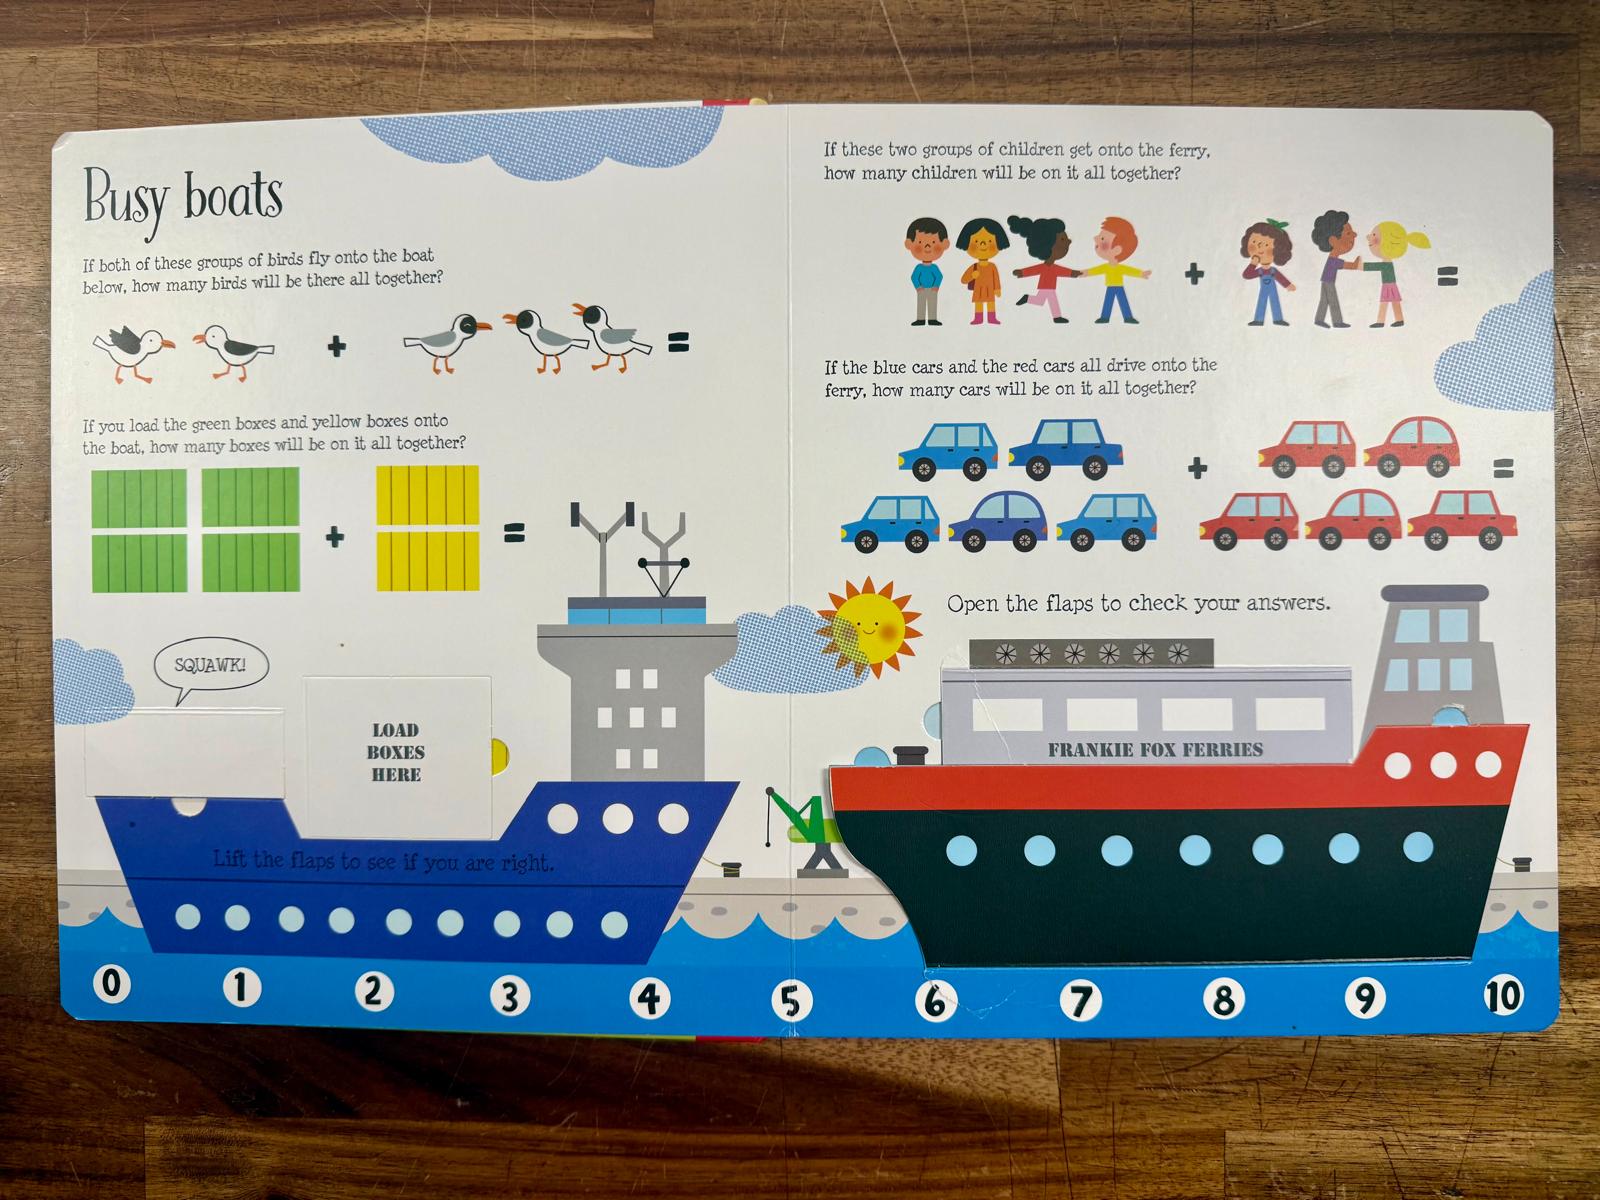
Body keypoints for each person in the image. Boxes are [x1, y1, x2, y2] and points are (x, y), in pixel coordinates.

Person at [1007, 215, 1080, 324]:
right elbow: (1035, 270)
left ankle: (1028, 299)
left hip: (1047, 286)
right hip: (1047, 286)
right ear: (1048, 247)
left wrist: (1072, 273)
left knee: (1040, 301)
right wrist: (1022, 272)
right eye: (1063, 239)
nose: (1069, 241)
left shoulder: (1052, 266)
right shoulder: (1047, 267)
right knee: (1049, 300)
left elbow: (1060, 271)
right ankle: (1057, 317)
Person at [1363, 220, 1432, 328]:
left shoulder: (1386, 263)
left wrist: (1361, 266)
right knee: (1395, 301)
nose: (1369, 237)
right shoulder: (1387, 262)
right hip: (1391, 284)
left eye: (1374, 235)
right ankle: (1399, 320)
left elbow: (1377, 266)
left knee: (1385, 302)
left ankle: (1381, 321)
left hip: (1388, 285)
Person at [1083, 216, 1150, 324]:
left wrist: (1141, 274)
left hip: (1118, 286)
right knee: (1109, 302)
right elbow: (1096, 270)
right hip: (1112, 286)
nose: (1095, 238)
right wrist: (1086, 272)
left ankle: (1127, 317)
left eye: (1102, 238)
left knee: (1121, 302)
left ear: (1116, 250)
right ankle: (1106, 317)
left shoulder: (1118, 268)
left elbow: (1129, 270)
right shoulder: (1106, 267)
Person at [1310, 209, 1362, 328]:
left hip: (1326, 280)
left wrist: (1354, 265)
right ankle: (1337, 322)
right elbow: (1345, 265)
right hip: (1328, 281)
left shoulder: (1332, 259)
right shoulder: (1333, 260)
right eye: (1348, 234)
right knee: (1333, 300)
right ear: (1333, 241)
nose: (1354, 235)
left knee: (1324, 300)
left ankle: (1319, 319)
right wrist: (1354, 265)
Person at [1240, 219, 1296, 326]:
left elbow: (1280, 278)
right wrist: (1253, 264)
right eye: (1254, 242)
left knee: (1275, 300)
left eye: (1266, 245)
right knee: (1262, 301)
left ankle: (1278, 319)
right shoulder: (1260, 271)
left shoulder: (1272, 271)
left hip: (1272, 288)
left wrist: (1288, 285)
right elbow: (1247, 275)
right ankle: (1258, 320)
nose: (1259, 248)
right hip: (1264, 290)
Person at [956, 217, 1009, 325]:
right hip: (978, 290)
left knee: (991, 303)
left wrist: (997, 289)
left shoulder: (992, 266)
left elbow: (996, 278)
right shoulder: (974, 266)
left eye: (990, 241)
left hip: (990, 290)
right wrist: (972, 275)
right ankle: (978, 318)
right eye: (976, 241)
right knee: (978, 304)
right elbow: (964, 280)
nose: (983, 244)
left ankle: (992, 318)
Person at [904, 216, 950, 326]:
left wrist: (936, 286)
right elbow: (914, 277)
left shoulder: (934, 267)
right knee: (921, 303)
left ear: (944, 244)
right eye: (920, 242)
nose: (927, 246)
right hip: (921, 289)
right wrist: (918, 286)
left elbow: (939, 276)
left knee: (932, 302)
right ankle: (920, 319)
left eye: (933, 242)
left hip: (932, 289)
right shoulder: (919, 267)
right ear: (909, 244)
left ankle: (932, 319)